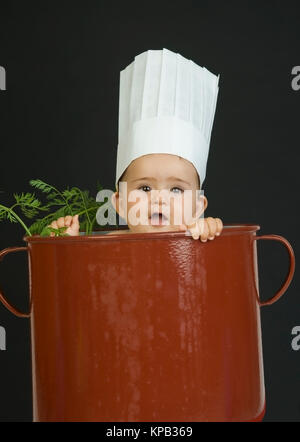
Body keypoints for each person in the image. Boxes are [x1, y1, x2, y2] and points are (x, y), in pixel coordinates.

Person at [48, 48, 223, 241]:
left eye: (176, 189)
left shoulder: (197, 236)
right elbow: (82, 269)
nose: (159, 200)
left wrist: (208, 232)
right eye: (145, 188)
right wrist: (67, 245)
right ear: (120, 202)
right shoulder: (107, 244)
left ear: (198, 208)